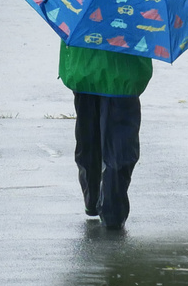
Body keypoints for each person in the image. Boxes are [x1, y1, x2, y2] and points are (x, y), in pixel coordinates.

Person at [59, 41, 152, 231]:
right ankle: (112, 210)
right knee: (120, 145)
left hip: (85, 66)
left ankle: (93, 197)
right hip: (123, 70)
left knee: (88, 139)